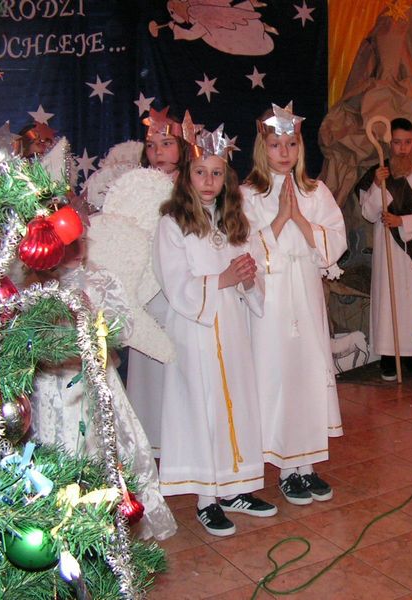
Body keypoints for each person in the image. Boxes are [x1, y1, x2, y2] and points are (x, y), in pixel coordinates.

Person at [153, 123, 275, 537]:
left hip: (232, 326)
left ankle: (235, 488)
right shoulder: (173, 223)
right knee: (203, 405)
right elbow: (174, 281)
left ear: (227, 179)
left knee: (236, 403)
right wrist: (221, 279)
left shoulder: (234, 222)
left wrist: (247, 279)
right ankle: (207, 498)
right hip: (195, 328)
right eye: (200, 172)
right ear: (187, 176)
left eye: (217, 173)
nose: (208, 181)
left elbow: (252, 274)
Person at [29, 236, 178, 541]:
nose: (77, 248)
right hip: (54, 382)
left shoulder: (102, 278)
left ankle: (115, 512)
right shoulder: (38, 286)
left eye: (80, 240)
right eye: (67, 243)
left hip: (97, 375)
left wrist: (98, 321)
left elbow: (124, 327)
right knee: (60, 443)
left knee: (111, 441)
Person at [241, 102, 346, 505]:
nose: (283, 152)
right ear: (262, 147)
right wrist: (280, 218)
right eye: (275, 145)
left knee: (308, 373)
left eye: (291, 144)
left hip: (305, 296)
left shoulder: (315, 191)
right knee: (279, 375)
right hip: (271, 302)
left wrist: (299, 217)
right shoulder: (249, 194)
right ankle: (286, 468)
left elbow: (335, 242)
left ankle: (307, 464)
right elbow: (244, 247)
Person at [357, 117, 412, 381]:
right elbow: (368, 213)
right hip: (388, 249)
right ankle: (389, 357)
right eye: (397, 142)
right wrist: (377, 185)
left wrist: (401, 221)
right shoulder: (378, 173)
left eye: (407, 142)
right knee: (389, 300)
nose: (402, 148)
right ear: (389, 143)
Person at [126, 107, 185, 458]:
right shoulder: (137, 188)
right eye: (152, 146)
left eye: (167, 143)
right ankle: (151, 441)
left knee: (180, 360)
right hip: (148, 289)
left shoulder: (194, 186)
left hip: (182, 287)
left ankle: (182, 437)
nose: (158, 152)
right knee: (150, 364)